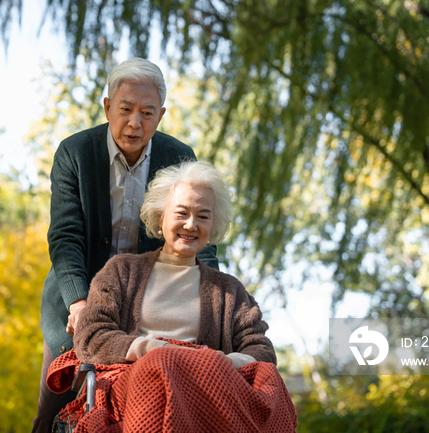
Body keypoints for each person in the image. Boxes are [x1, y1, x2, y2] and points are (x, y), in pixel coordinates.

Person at [33, 59, 218, 432]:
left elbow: (199, 237)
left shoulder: (179, 158)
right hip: (77, 294)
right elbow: (65, 236)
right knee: (58, 396)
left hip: (146, 301)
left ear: (161, 115)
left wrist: (212, 303)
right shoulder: (75, 153)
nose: (135, 123)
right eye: (126, 110)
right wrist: (79, 302)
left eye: (147, 113)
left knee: (141, 404)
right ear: (107, 107)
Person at [56, 161, 297, 432]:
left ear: (213, 224)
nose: (191, 224)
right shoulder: (121, 272)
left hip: (208, 388)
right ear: (161, 218)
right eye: (181, 213)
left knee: (269, 377)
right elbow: (91, 336)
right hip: (137, 383)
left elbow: (262, 351)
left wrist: (216, 363)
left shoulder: (230, 291)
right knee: (162, 364)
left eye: (203, 216)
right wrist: (157, 351)